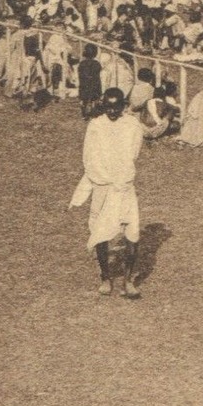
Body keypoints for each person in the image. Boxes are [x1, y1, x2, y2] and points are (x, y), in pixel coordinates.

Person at [69, 88, 150, 298]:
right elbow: (89, 158)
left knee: (132, 235)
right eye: (109, 106)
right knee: (100, 233)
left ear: (124, 105)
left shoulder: (132, 125)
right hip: (103, 187)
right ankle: (105, 277)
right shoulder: (95, 126)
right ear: (103, 105)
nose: (112, 111)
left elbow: (133, 153)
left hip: (124, 186)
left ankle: (128, 281)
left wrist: (120, 177)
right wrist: (104, 179)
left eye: (117, 106)